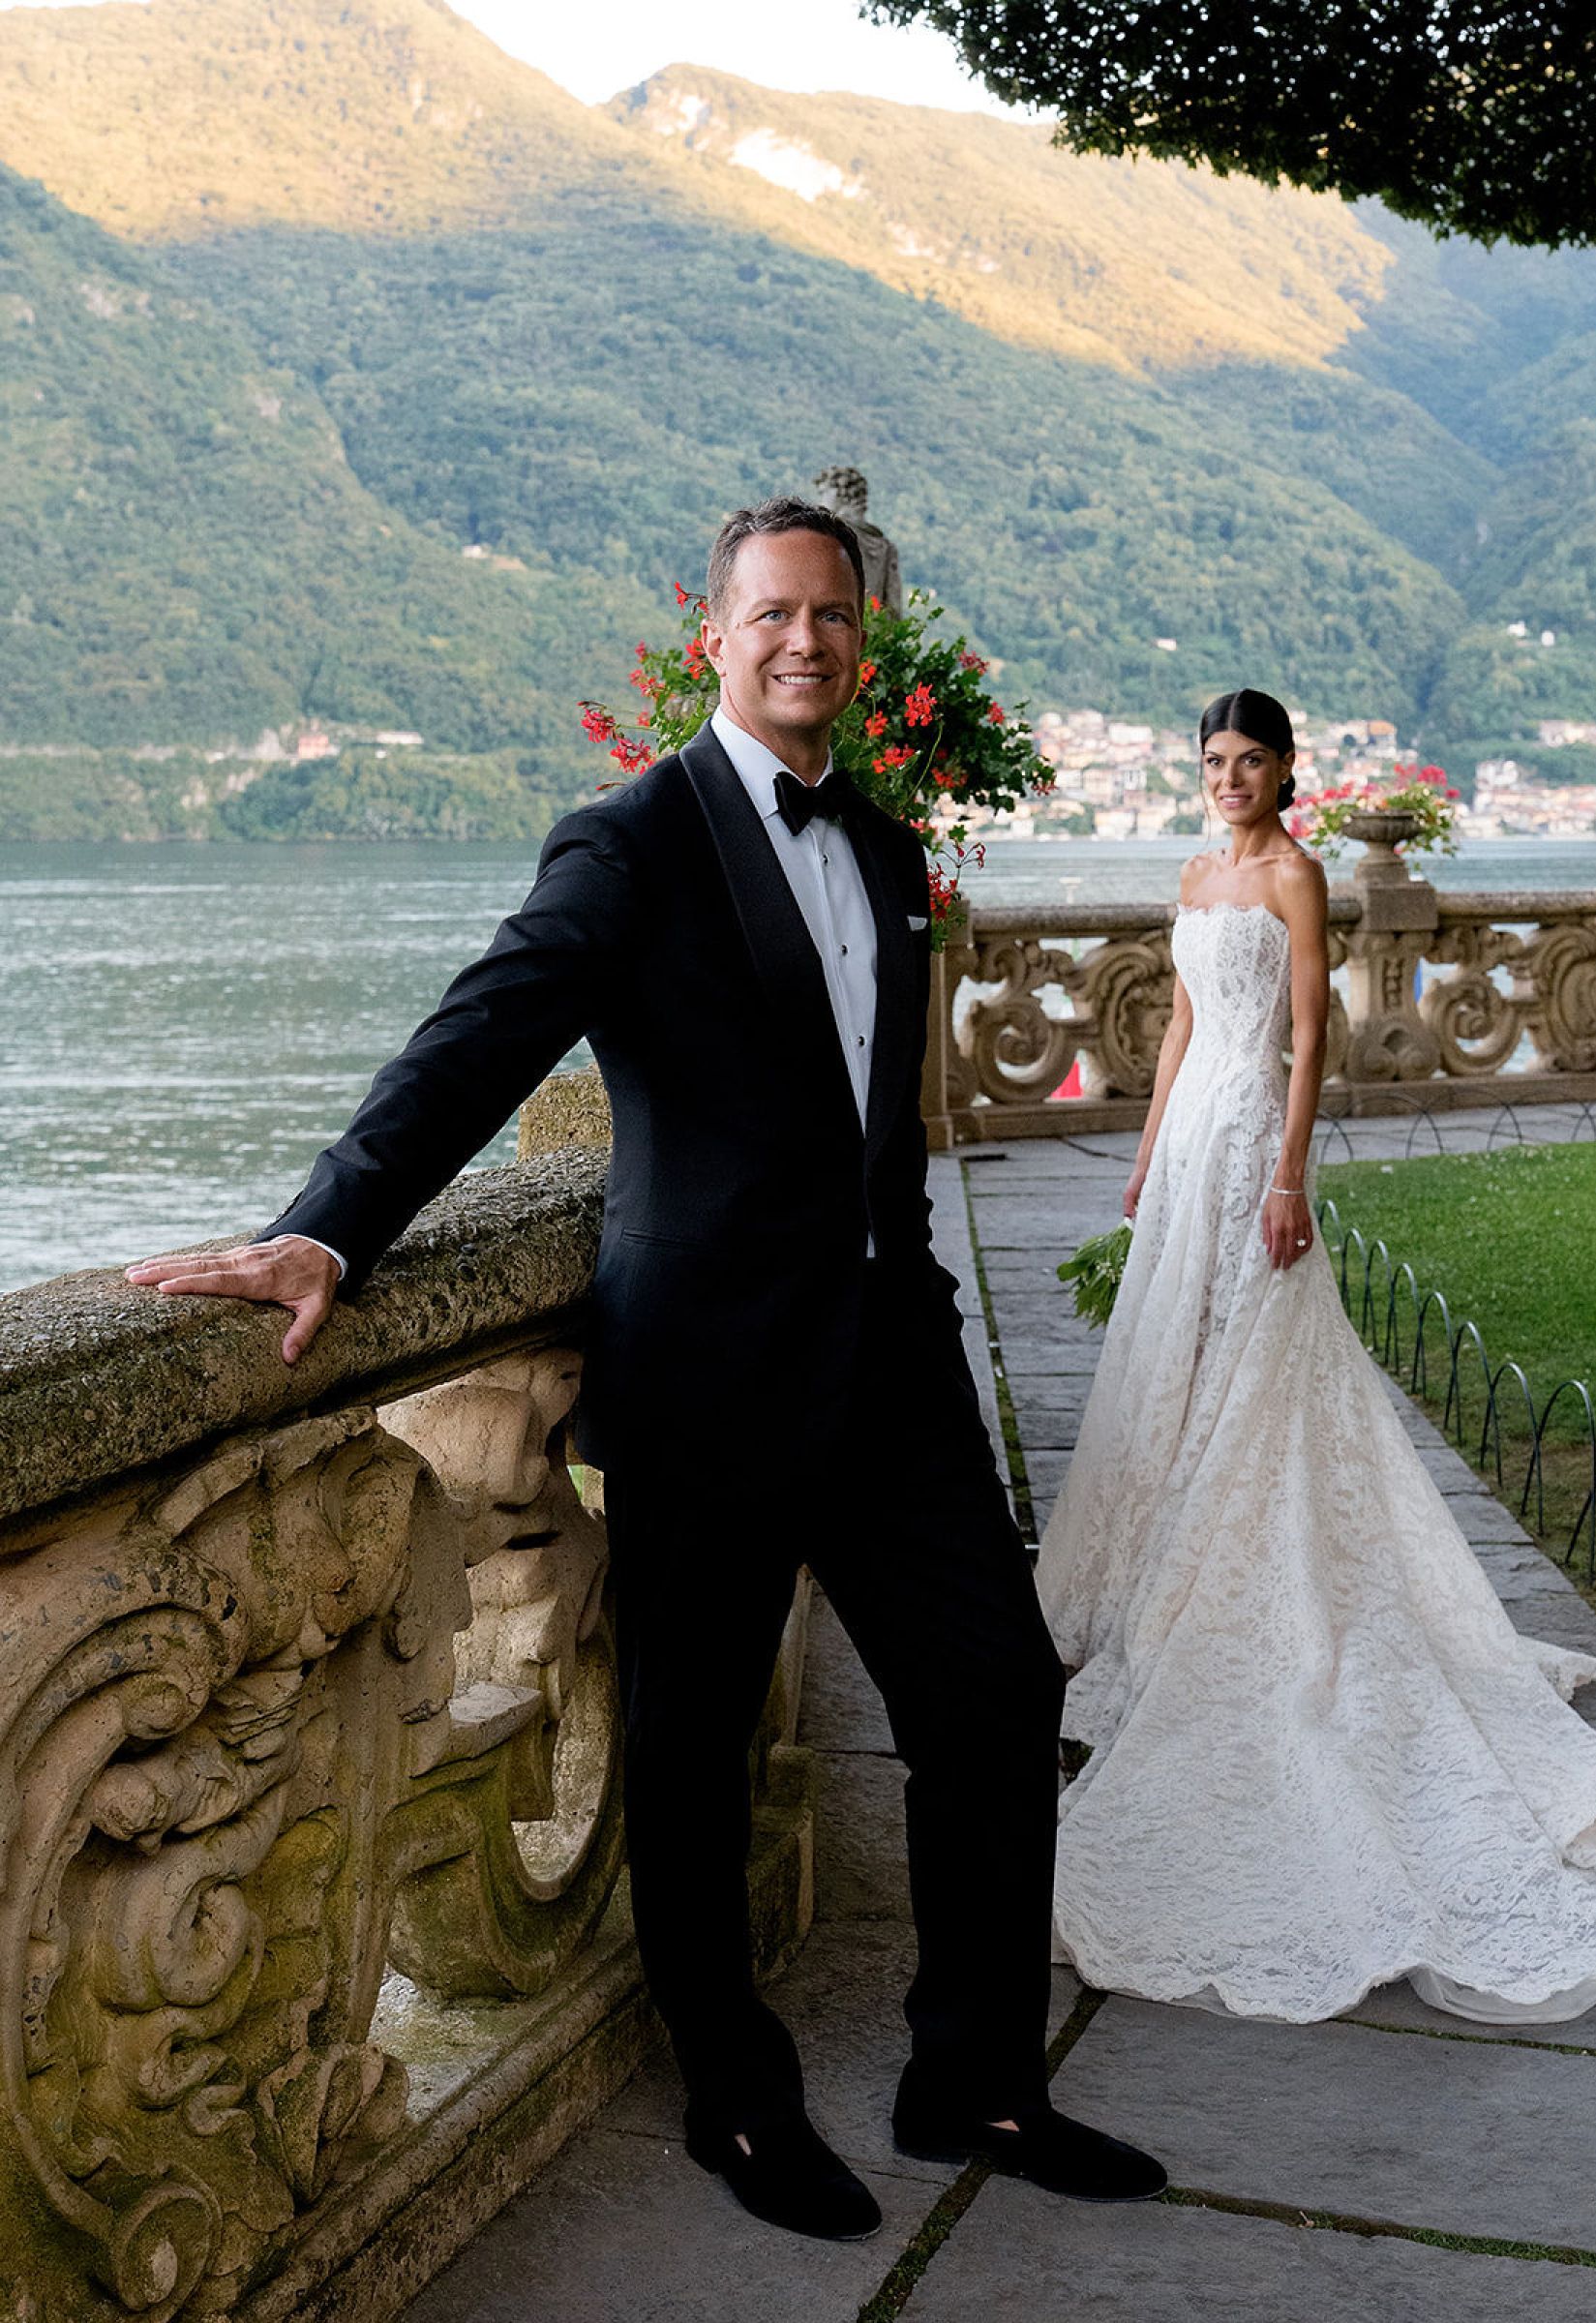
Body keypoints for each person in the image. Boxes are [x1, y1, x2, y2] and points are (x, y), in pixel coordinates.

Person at [127, 500, 1164, 2242]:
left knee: (994, 1696)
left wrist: (913, 1307)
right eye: (772, 615)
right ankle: (739, 2105)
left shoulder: (895, 861)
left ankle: (974, 2078)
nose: (803, 644)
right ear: (716, 636)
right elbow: (481, 1033)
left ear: (862, 641)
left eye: (832, 617)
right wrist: (329, 1226)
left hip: (888, 1369)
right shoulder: (630, 839)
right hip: (707, 1375)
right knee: (691, 1755)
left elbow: (874, 1145)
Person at [1038, 685, 1596, 2024]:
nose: (1231, 778)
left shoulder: (1298, 877)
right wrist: (1143, 1152)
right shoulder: (1191, 870)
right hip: (1190, 1142)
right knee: (1173, 1352)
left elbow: (1315, 1034)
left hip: (1255, 1135)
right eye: (1214, 760)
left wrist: (1289, 1171)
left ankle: (1239, 1566)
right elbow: (1182, 1021)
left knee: (1256, 1357)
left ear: (1287, 772)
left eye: (1251, 762)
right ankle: (1145, 1565)